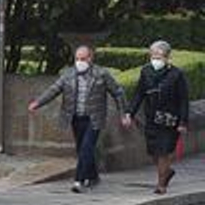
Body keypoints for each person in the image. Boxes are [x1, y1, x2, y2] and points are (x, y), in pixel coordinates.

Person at [28, 44, 127, 192]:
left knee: (87, 147)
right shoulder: (68, 74)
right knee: (82, 148)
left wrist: (123, 113)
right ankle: (93, 176)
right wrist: (38, 102)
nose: (80, 61)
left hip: (94, 117)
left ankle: (79, 180)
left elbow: (118, 92)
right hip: (75, 117)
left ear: (90, 58)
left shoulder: (101, 74)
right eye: (77, 58)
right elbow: (54, 89)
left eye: (83, 58)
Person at [123, 40, 190, 195]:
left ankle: (161, 185)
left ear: (167, 58)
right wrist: (129, 113)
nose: (155, 59)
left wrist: (183, 122)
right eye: (153, 55)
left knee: (163, 151)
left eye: (159, 56)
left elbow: (183, 100)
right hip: (152, 118)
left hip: (169, 120)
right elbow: (139, 94)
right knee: (154, 151)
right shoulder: (146, 71)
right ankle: (166, 172)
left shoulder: (176, 74)